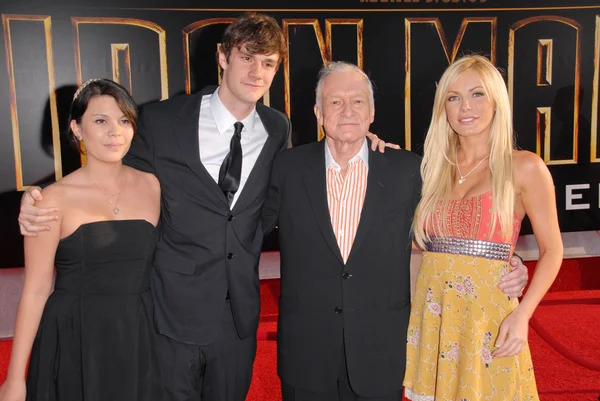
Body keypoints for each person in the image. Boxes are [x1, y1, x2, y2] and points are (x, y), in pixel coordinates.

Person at [261, 61, 529, 401]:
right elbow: (247, 227)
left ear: (372, 112)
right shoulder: (287, 168)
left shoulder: (409, 171)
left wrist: (508, 258)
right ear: (318, 111)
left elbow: (442, 231)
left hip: (380, 352)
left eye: (358, 101)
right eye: (335, 101)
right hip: (307, 353)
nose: (347, 111)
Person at [403, 55, 563, 400]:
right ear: (442, 106)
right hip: (434, 322)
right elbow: (419, 250)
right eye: (453, 97)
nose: (466, 107)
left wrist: (522, 315)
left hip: (487, 320)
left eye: (477, 94)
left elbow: (553, 250)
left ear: (496, 101)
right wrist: (415, 316)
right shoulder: (431, 169)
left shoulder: (524, 167)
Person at [0, 79, 161, 401]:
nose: (115, 132)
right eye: (100, 121)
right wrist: (15, 379)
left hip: (139, 333)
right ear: (77, 128)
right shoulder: (51, 199)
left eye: (124, 120)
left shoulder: (153, 185)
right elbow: (35, 288)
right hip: (76, 335)